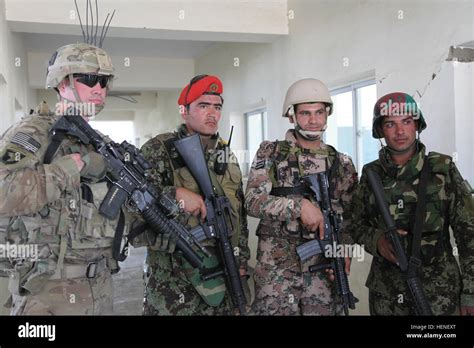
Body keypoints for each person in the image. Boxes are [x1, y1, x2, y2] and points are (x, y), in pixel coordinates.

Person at [0, 41, 132, 315]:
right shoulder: (34, 132)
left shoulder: (100, 144)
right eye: (89, 79)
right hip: (47, 293)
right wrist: (73, 167)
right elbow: (3, 192)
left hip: (100, 287)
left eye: (104, 81)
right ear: (62, 83)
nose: (99, 89)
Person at [350, 92, 474, 315]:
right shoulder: (371, 174)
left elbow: (469, 234)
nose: (400, 131)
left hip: (439, 294)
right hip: (387, 297)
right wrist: (377, 240)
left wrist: (471, 293)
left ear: (416, 125)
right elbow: (354, 224)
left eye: (406, 122)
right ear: (380, 130)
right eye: (390, 124)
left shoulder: (442, 168)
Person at [138, 74, 250, 315]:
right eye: (203, 106)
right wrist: (174, 194)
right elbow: (132, 201)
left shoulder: (225, 154)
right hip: (175, 285)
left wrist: (240, 262)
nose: (212, 114)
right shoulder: (159, 149)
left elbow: (237, 212)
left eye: (217, 107)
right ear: (184, 111)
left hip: (223, 273)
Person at [245, 78, 358, 315]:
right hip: (277, 271)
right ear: (291, 116)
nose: (314, 120)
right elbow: (252, 201)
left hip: (322, 269)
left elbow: (350, 218)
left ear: (328, 114)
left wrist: (344, 251)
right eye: (305, 113)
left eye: (319, 112)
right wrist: (299, 207)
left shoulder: (342, 163)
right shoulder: (271, 152)